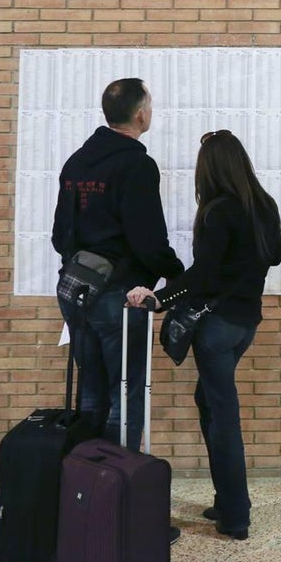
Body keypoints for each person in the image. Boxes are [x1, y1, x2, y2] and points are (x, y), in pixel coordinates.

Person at [128, 129, 281, 542]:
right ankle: (227, 499)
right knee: (210, 402)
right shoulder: (264, 206)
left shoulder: (219, 211)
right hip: (246, 324)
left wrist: (159, 298)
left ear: (210, 169)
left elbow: (204, 276)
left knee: (223, 416)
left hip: (216, 328)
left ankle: (236, 514)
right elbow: (275, 256)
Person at [52, 78, 184, 451]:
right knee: (125, 393)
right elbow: (148, 239)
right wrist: (176, 275)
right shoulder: (137, 165)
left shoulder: (75, 162)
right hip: (122, 296)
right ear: (141, 114)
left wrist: (80, 268)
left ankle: (90, 492)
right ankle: (119, 489)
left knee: (91, 393)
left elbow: (60, 235)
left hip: (75, 290)